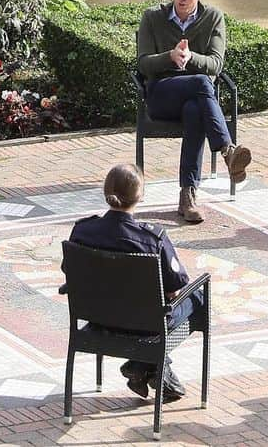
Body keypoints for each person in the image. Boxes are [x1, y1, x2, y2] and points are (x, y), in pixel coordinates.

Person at [67, 163, 201, 402]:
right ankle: (142, 364)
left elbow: (70, 275)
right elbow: (174, 290)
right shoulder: (152, 240)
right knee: (197, 296)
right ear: (140, 196)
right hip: (144, 325)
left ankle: (147, 366)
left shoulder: (81, 232)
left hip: (98, 318)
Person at [136, 0, 251, 224]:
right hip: (161, 95)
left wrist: (191, 58)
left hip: (196, 99)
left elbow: (216, 64)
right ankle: (226, 150)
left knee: (195, 110)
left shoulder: (213, 17)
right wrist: (170, 57)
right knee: (200, 84)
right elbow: (142, 64)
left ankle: (187, 195)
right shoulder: (152, 17)